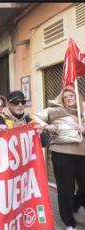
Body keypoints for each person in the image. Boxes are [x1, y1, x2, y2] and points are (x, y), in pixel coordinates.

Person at [35, 86, 85, 230]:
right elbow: (35, 118)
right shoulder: (54, 110)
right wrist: (46, 126)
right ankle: (69, 222)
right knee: (65, 189)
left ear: (77, 97)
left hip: (83, 154)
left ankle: (74, 206)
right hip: (62, 153)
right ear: (62, 100)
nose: (69, 98)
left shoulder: (83, 110)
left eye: (72, 95)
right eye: (66, 97)